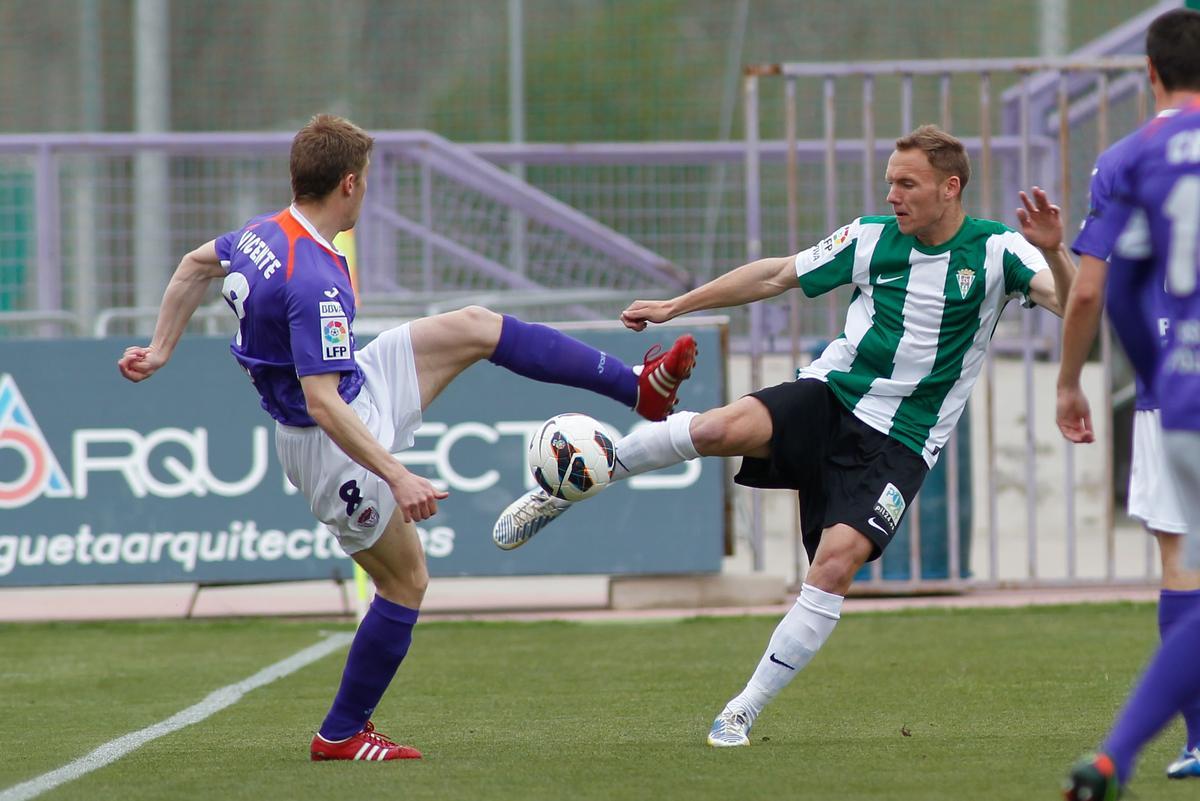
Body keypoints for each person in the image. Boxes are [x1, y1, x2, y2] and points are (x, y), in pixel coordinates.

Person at [117, 113, 698, 762]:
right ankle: (340, 732)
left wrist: (160, 348)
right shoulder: (316, 280)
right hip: (328, 442)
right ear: (347, 183)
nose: (367, 191)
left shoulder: (261, 233)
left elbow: (195, 264)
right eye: (365, 180)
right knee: (407, 582)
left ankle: (639, 390)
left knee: (477, 325)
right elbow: (322, 401)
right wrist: (396, 472)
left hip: (355, 387)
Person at [491, 125, 1076, 745]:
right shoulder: (872, 237)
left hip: (902, 441)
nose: (894, 196)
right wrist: (674, 307)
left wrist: (1059, 253)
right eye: (890, 184)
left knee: (834, 566)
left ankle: (741, 710)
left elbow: (1072, 303)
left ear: (950, 188)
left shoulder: (998, 251)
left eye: (908, 184)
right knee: (719, 427)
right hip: (831, 395)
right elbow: (776, 275)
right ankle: (571, 486)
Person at [1055, 8, 1200, 786]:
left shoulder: (1126, 156)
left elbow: (1094, 295)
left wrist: (1080, 380)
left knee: (1183, 557)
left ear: (1149, 72)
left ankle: (1190, 740)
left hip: (1177, 394)